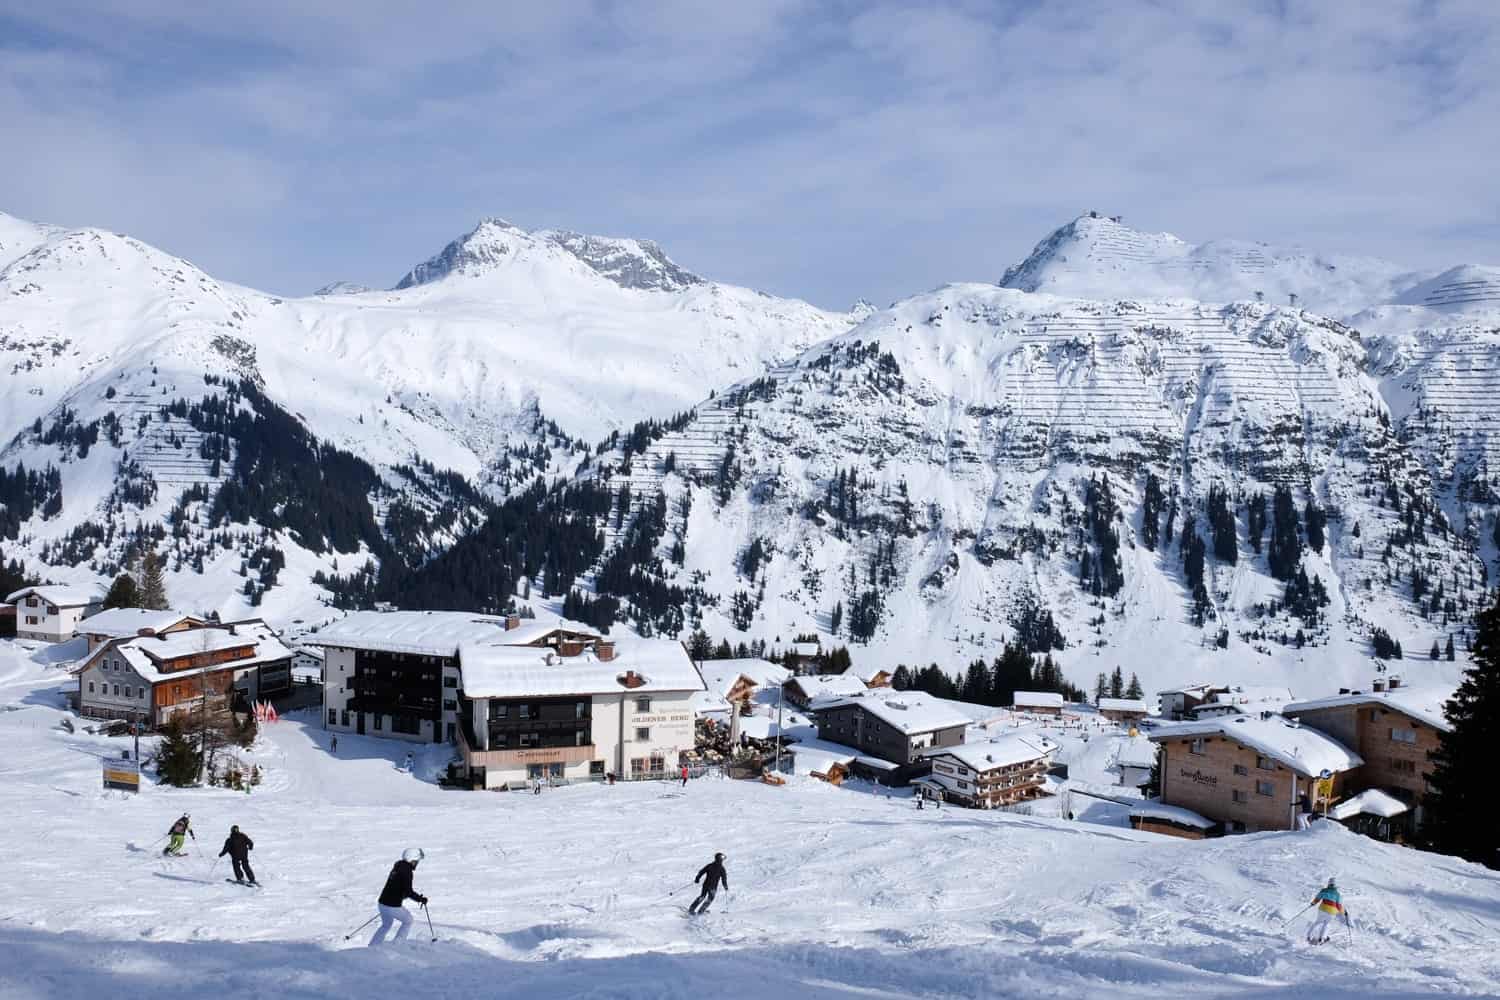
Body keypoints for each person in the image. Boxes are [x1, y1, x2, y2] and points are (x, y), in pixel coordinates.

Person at [370, 848, 428, 945]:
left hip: (382, 904)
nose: (417, 863)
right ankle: (398, 944)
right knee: (408, 920)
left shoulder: (398, 867)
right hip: (392, 906)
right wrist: (421, 899)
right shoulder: (407, 871)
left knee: (386, 925)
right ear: (412, 860)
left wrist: (402, 894)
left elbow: (397, 886)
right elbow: (409, 891)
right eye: (416, 861)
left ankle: (373, 945)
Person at [1306, 878, 1346, 944]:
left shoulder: (1324, 890)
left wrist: (1313, 903)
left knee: (1318, 922)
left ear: (1329, 884)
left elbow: (1318, 898)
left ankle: (1308, 936)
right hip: (1331, 912)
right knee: (1327, 924)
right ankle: (1321, 939)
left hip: (1322, 909)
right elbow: (1338, 906)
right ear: (1336, 886)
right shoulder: (1337, 894)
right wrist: (1344, 912)